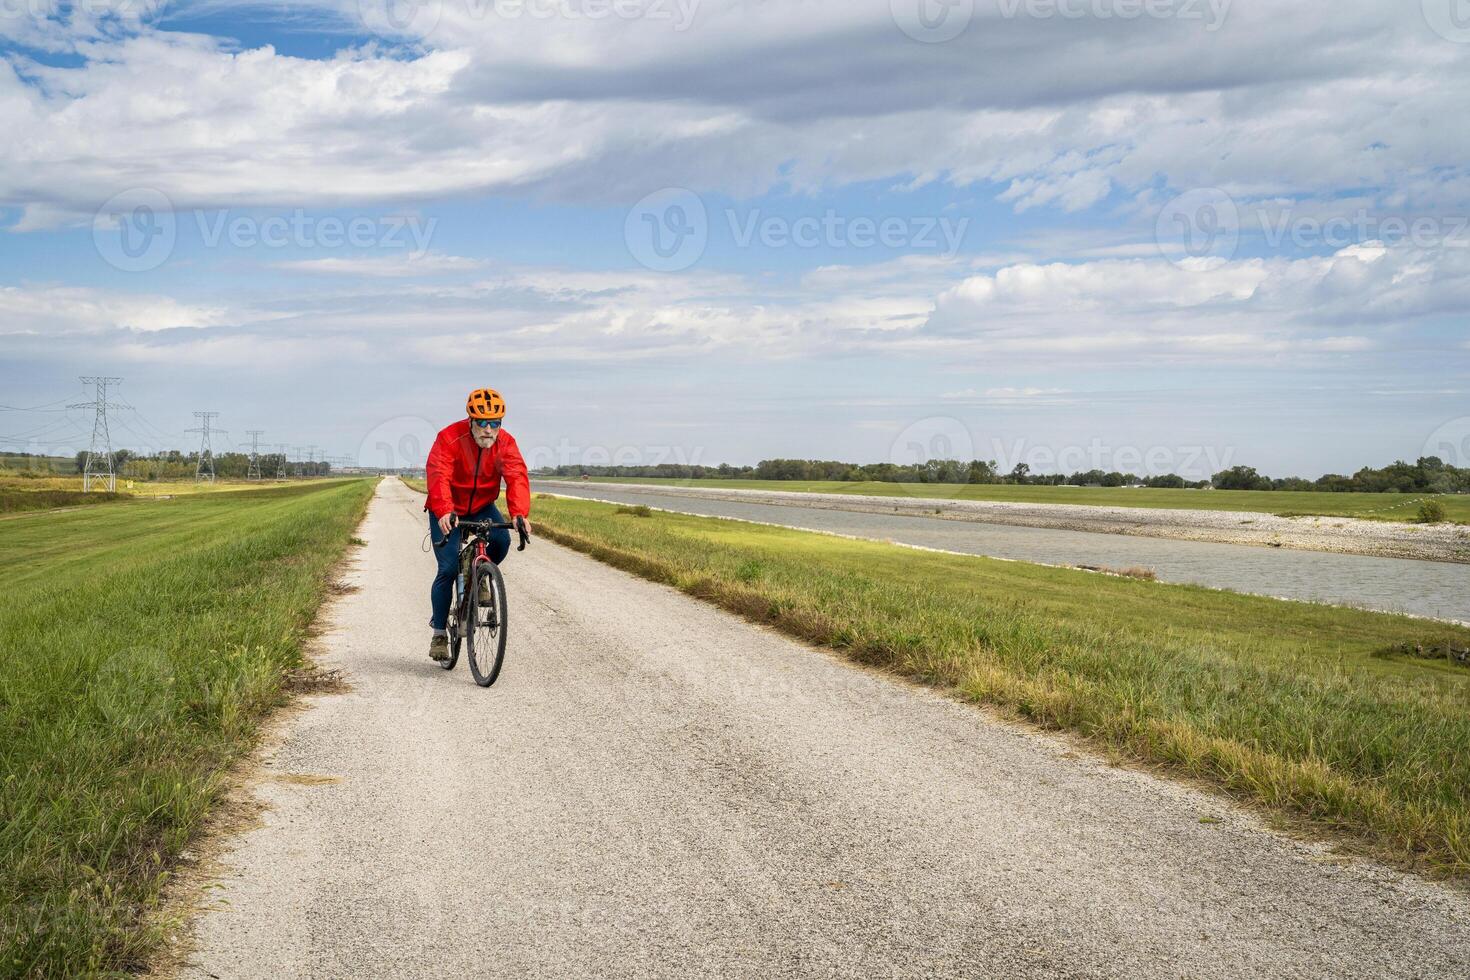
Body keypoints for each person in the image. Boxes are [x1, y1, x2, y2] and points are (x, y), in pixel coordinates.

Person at [424, 387, 532, 661]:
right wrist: (445, 510)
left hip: (482, 505)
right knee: (448, 568)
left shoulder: (505, 443)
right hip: (448, 507)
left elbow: (516, 476)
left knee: (502, 541)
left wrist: (519, 513)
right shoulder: (449, 438)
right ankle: (439, 633)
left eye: (494, 423)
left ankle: (478, 571)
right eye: (482, 422)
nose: (488, 429)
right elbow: (438, 475)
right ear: (470, 420)